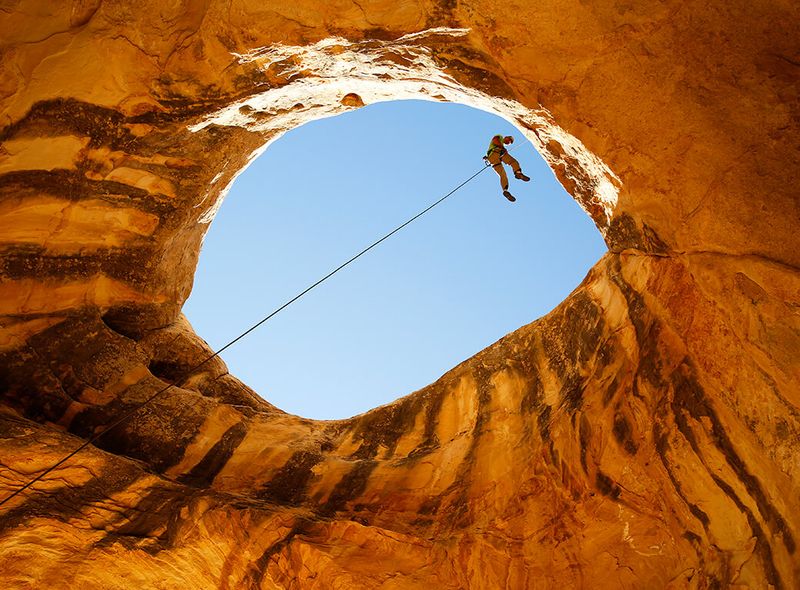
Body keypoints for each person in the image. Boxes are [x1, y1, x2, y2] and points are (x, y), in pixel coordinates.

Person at [485, 135, 530, 202]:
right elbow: (495, 140)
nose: (509, 142)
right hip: (497, 152)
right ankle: (518, 173)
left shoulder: (501, 145)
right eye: (509, 140)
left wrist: (486, 157)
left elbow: (491, 149)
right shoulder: (500, 137)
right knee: (513, 162)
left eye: (510, 142)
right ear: (506, 137)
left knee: (503, 175)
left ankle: (505, 191)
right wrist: (503, 148)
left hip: (492, 158)